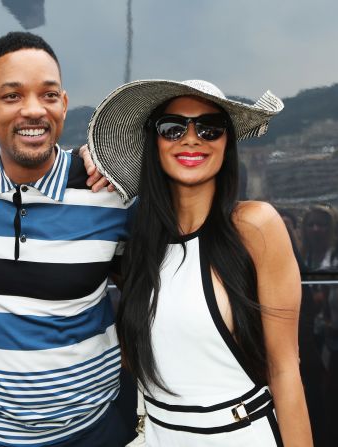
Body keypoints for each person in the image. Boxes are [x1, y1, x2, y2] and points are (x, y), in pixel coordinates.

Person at [0, 32, 133, 447]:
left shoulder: (110, 194)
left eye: (48, 95)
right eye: (11, 97)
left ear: (63, 103)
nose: (33, 110)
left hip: (90, 433)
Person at [88, 79, 313, 445]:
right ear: (154, 141)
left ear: (227, 142)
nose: (191, 139)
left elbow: (285, 369)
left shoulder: (256, 226)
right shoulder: (140, 242)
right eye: (172, 127)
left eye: (210, 127)